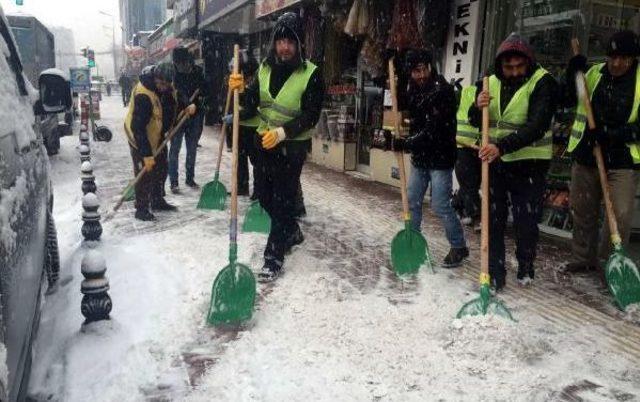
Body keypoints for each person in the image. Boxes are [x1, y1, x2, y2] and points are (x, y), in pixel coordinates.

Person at [229, 12, 324, 281]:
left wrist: (283, 133)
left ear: (298, 45)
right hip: (263, 144)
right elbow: (252, 103)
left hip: (292, 148)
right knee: (265, 198)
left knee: (282, 202)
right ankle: (291, 231)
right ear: (274, 43)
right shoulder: (264, 69)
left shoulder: (311, 74)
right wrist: (240, 89)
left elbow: (311, 115)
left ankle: (273, 257)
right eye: (280, 41)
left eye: (290, 42)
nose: (284, 47)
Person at [468, 33, 557, 290]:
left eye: (520, 67)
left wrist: (502, 147)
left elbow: (537, 125)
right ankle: (495, 272)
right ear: (500, 65)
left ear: (528, 62)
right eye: (509, 68)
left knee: (525, 221)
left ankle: (526, 264)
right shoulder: (488, 83)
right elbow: (476, 120)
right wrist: (477, 106)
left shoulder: (543, 83)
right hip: (497, 163)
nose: (515, 72)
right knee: (493, 217)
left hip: (530, 163)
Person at [562, 30, 640, 276]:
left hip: (621, 162)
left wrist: (609, 135)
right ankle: (582, 258)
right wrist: (572, 72)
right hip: (587, 157)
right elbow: (566, 98)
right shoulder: (593, 75)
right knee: (583, 210)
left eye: (624, 58)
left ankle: (610, 263)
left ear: (633, 58)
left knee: (621, 214)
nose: (617, 63)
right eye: (612, 57)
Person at [384, 49, 469, 268]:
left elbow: (434, 130)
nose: (419, 75)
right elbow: (401, 103)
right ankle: (413, 242)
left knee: (440, 205)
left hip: (440, 159)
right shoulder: (414, 89)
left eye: (422, 70)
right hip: (421, 159)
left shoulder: (443, 91)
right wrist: (391, 74)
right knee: (411, 202)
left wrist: (407, 143)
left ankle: (459, 246)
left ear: (430, 68)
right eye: (414, 71)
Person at [124, 63, 191, 221]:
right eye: (161, 84)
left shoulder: (166, 87)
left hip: (157, 134)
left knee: (161, 168)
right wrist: (146, 155)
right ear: (155, 79)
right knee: (144, 173)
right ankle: (141, 208)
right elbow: (138, 128)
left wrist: (188, 105)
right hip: (139, 138)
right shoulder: (143, 94)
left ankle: (157, 199)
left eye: (166, 84)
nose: (163, 87)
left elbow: (176, 96)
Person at [168, 47, 206, 193]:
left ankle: (190, 178)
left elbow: (204, 89)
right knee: (174, 149)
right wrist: (185, 104)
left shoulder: (197, 72)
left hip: (195, 116)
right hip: (178, 116)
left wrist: (196, 103)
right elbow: (175, 91)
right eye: (176, 63)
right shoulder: (173, 73)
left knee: (191, 149)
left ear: (187, 61)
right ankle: (174, 182)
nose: (179, 66)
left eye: (181, 63)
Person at [223, 51, 261, 197]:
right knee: (240, 159)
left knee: (257, 163)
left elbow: (252, 109)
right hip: (241, 126)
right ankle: (241, 187)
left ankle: (258, 192)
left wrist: (235, 116)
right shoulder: (237, 81)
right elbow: (234, 102)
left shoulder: (254, 84)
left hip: (254, 128)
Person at [454, 85, 481, 231]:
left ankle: (456, 205)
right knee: (470, 182)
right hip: (462, 146)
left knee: (472, 183)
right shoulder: (465, 93)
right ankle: (476, 216)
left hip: (478, 146)